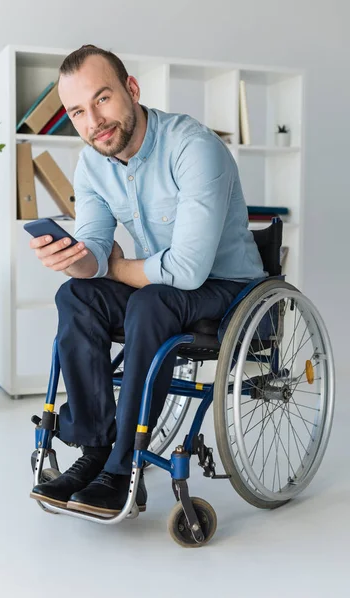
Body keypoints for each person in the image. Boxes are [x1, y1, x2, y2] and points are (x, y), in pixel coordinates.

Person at [29, 44, 266, 517]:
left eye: (102, 99)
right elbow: (96, 246)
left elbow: (188, 271)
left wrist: (115, 267)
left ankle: (123, 469)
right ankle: (95, 451)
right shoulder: (92, 164)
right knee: (76, 295)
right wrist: (74, 260)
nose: (93, 121)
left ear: (131, 90)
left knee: (152, 302)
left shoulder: (194, 146)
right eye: (78, 111)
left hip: (229, 290)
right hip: (159, 287)